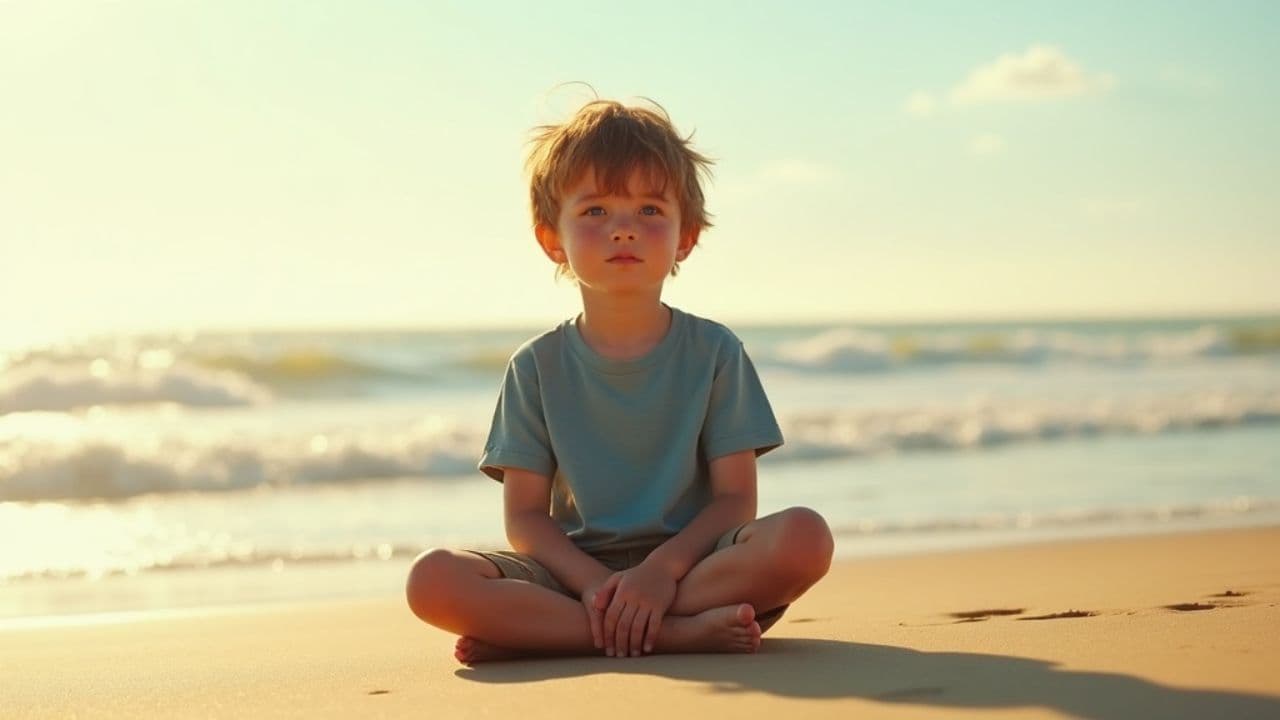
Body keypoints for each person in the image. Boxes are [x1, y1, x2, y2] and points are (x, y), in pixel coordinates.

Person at [406, 98, 834, 664]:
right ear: (551, 239)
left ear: (686, 236)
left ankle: (555, 634)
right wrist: (593, 585)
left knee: (805, 537)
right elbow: (526, 518)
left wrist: (660, 573)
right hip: (573, 576)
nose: (625, 229)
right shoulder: (535, 365)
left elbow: (736, 501)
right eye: (596, 210)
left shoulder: (715, 352)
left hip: (696, 570)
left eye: (650, 209)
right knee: (432, 579)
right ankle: (673, 634)